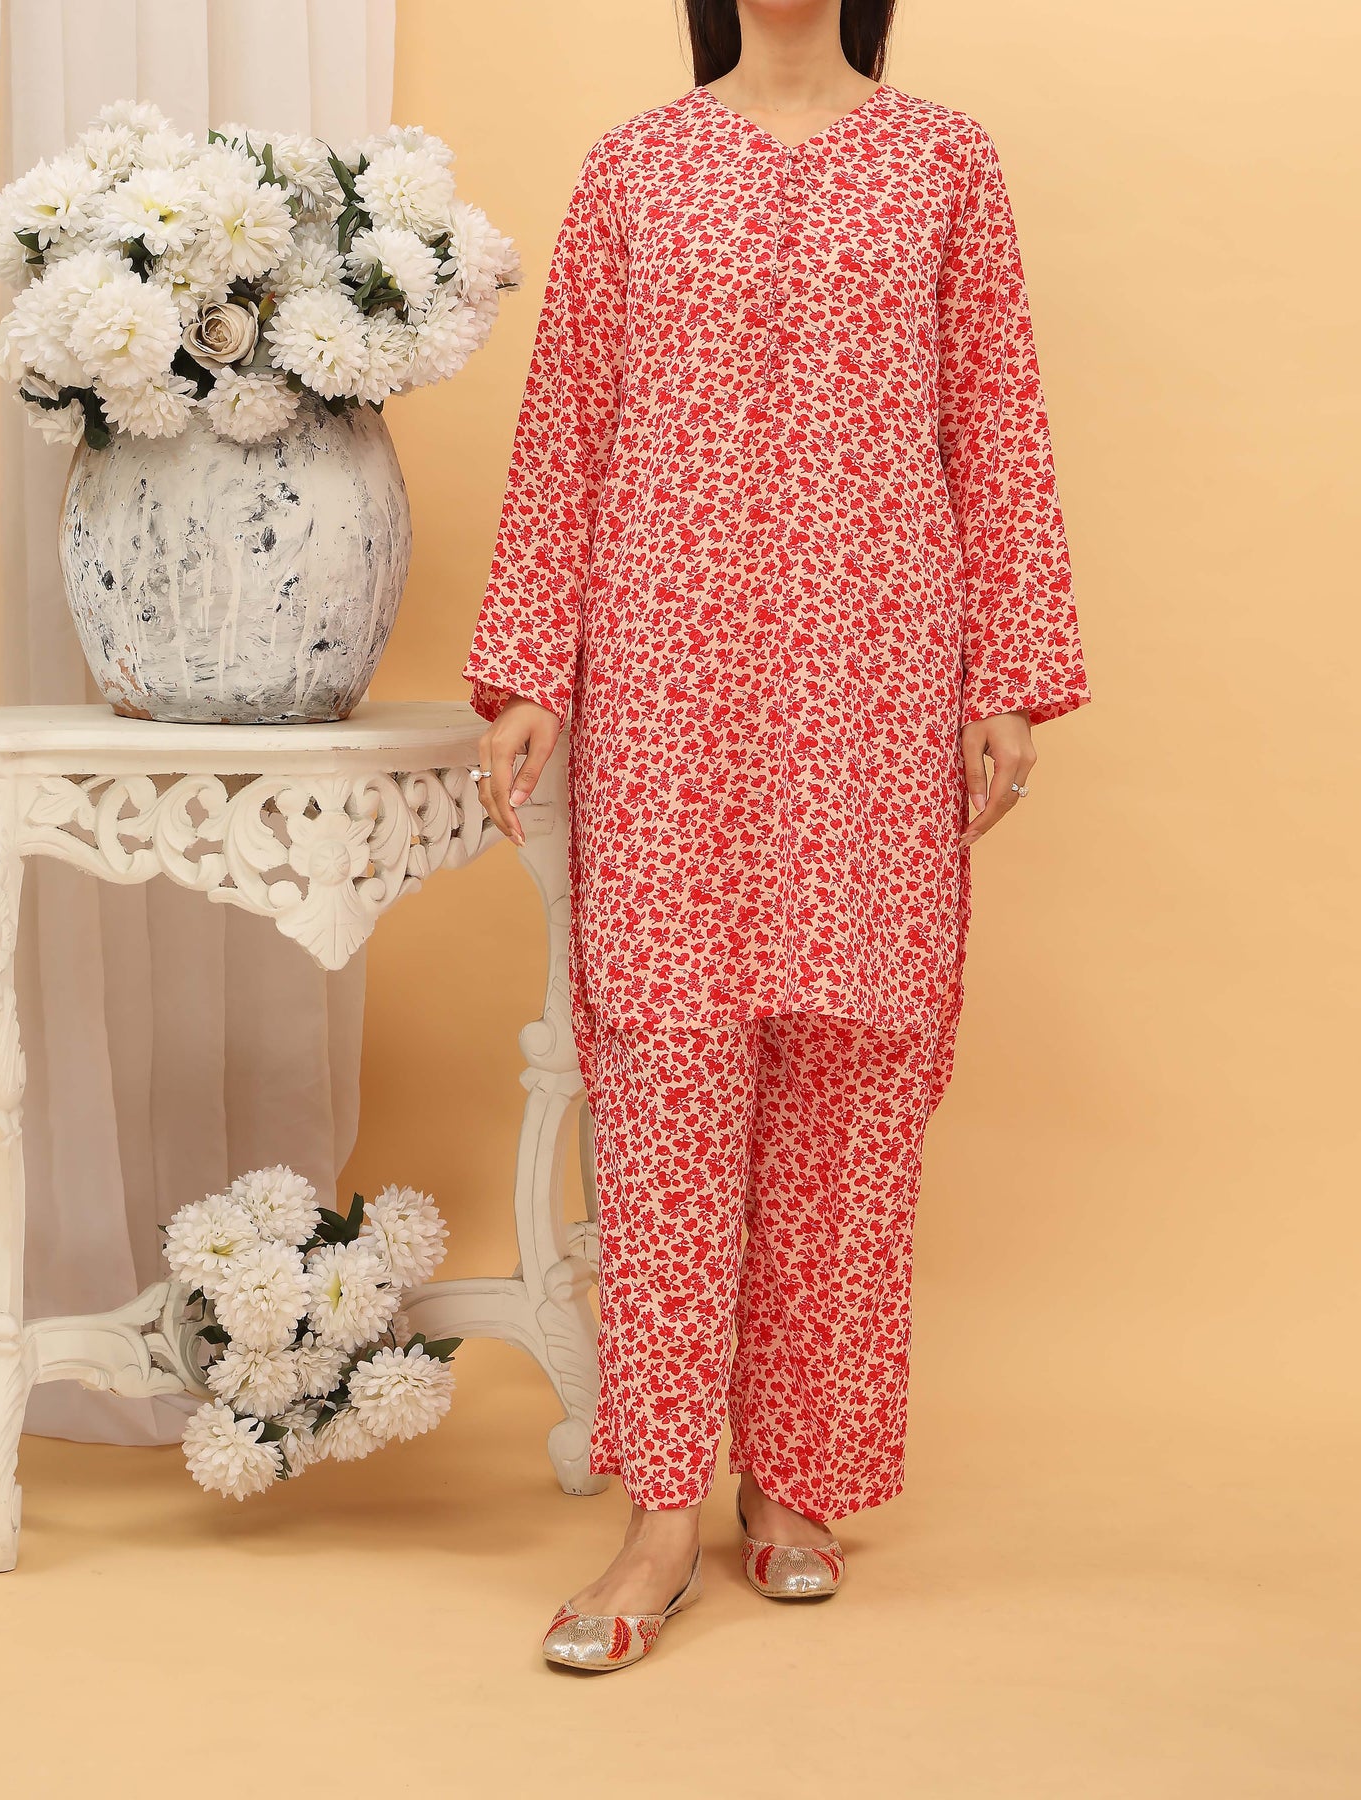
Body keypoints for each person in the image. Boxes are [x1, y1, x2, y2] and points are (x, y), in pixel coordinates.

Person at [465, 0, 1089, 1673]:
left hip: (876, 674)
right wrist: (527, 667)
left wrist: (1011, 679)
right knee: (666, 1065)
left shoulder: (945, 162)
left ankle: (797, 1481)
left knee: (856, 1070)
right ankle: (662, 1511)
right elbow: (566, 425)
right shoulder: (636, 167)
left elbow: (997, 420)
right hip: (668, 676)